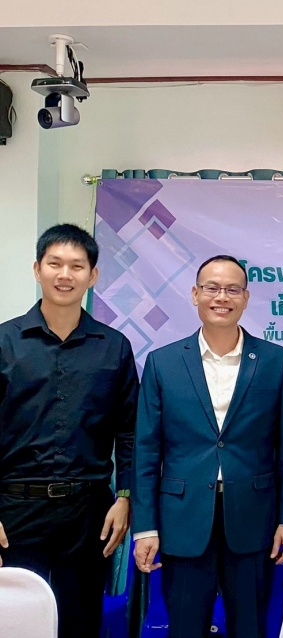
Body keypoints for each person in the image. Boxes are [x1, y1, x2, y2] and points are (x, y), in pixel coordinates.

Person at [133, 255, 283, 638]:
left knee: (250, 627)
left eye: (232, 289)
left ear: (246, 298)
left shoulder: (276, 361)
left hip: (253, 520)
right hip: (183, 520)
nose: (221, 297)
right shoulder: (163, 363)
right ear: (195, 294)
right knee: (185, 629)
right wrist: (145, 527)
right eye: (212, 288)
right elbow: (146, 451)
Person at [0, 223, 138, 638]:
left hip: (88, 512)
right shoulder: (5, 342)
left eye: (77, 266)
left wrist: (125, 496)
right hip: (14, 509)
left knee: (80, 621)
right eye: (55, 264)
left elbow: (130, 431)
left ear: (92, 276)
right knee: (15, 623)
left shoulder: (113, 346)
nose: (65, 275)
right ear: (37, 269)